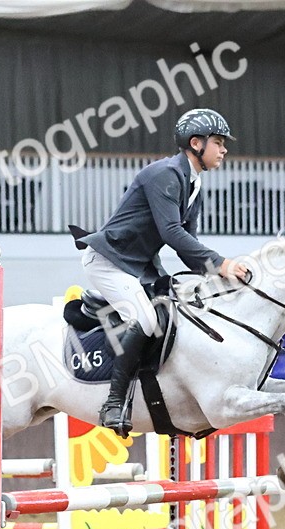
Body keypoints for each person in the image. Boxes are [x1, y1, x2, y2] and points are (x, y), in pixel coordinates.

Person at [76, 108, 250, 436]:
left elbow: (187, 246)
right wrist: (223, 263)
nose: (224, 149)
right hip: (109, 261)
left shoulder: (193, 184)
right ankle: (114, 402)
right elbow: (171, 232)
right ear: (195, 143)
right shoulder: (165, 174)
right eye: (218, 142)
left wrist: (217, 277)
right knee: (147, 319)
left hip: (137, 266)